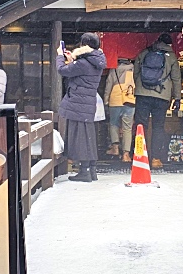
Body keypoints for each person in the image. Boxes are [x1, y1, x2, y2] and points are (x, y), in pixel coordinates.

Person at [57, 33, 106, 182]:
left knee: (80, 138)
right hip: (87, 103)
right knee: (88, 137)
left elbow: (62, 71)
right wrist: (73, 60)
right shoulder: (95, 61)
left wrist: (60, 56)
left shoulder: (84, 63)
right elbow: (80, 71)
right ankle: (91, 171)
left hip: (78, 103)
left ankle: (84, 172)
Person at [134, 33, 181, 169]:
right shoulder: (171, 57)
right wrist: (177, 98)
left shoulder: (144, 53)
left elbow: (136, 72)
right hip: (162, 96)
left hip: (142, 95)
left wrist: (140, 87)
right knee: (158, 127)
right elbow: (176, 79)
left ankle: (138, 155)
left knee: (140, 126)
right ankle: (155, 159)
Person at [103, 58, 135, 161]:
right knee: (127, 128)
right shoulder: (133, 68)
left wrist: (106, 100)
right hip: (129, 99)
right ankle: (126, 154)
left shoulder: (114, 69)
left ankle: (115, 148)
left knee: (114, 124)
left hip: (115, 98)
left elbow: (109, 84)